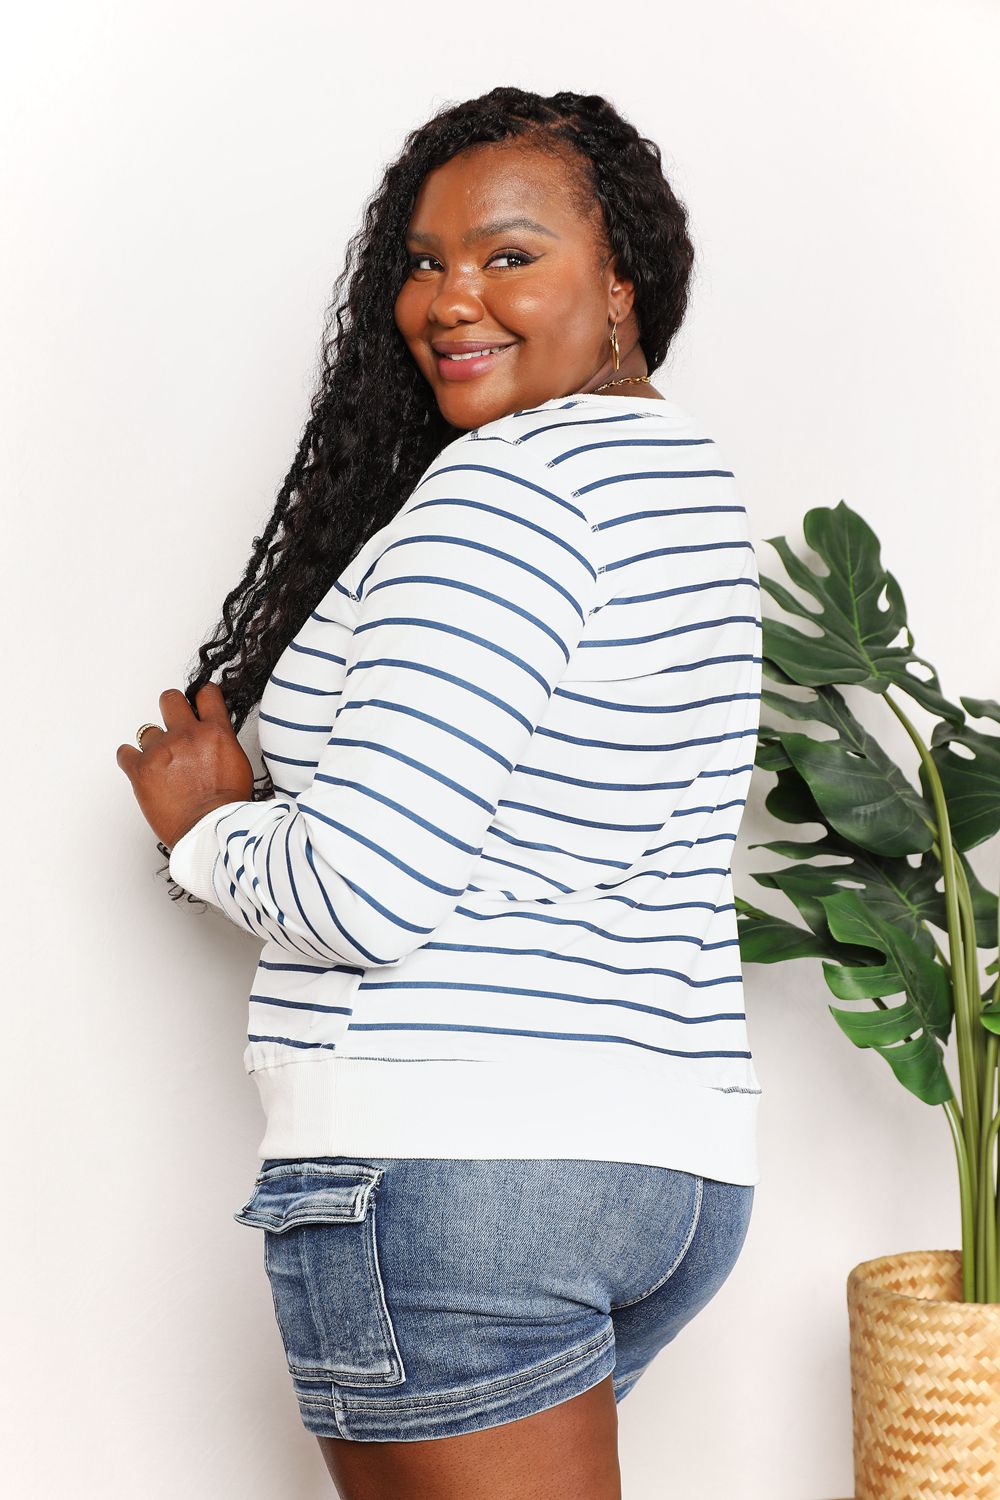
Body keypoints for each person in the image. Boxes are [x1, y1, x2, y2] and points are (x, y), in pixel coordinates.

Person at [116, 87, 762, 1500]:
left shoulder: (502, 499)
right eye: (423, 261)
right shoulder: (689, 487)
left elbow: (365, 889)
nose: (451, 298)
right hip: (667, 1171)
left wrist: (204, 829)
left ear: (624, 287)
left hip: (461, 1169)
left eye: (509, 254)